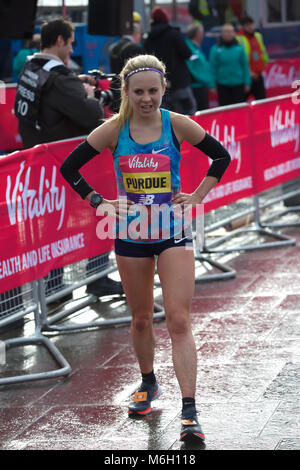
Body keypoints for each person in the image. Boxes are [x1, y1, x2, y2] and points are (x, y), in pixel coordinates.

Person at [59, 53, 231, 442]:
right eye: (139, 92)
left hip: (173, 233)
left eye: (153, 91)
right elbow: (69, 167)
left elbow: (221, 156)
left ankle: (190, 411)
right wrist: (98, 201)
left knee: (178, 320)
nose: (147, 99)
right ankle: (148, 382)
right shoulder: (114, 129)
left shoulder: (177, 124)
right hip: (131, 236)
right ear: (127, 91)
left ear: (163, 88)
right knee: (139, 319)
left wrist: (199, 194)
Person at [14, 17, 123, 299]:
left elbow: (51, 92)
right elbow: (89, 114)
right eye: (71, 41)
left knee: (51, 223)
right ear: (60, 40)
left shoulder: (31, 66)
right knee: (99, 211)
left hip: (41, 162)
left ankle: (54, 288)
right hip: (67, 161)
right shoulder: (60, 79)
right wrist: (92, 94)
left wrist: (78, 82)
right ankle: (97, 277)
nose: (72, 48)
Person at [144, 7, 197, 116]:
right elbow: (187, 53)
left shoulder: (149, 38)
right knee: (189, 114)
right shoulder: (174, 34)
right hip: (179, 82)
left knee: (166, 116)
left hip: (160, 83)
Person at [209, 23, 251, 106]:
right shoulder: (215, 49)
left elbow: (245, 66)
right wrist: (212, 85)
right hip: (222, 86)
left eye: (231, 31)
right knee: (225, 110)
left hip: (238, 85)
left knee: (239, 110)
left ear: (234, 34)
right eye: (226, 31)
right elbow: (212, 68)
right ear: (222, 34)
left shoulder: (240, 48)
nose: (228, 34)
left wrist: (247, 83)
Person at [109, 22, 144, 113]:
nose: (140, 37)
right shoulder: (135, 48)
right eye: (140, 34)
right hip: (129, 90)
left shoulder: (113, 47)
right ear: (136, 33)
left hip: (115, 88)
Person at [237, 16, 269, 100]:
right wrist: (248, 72)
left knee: (262, 103)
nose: (250, 27)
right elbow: (238, 61)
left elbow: (263, 53)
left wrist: (262, 67)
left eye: (251, 24)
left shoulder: (258, 36)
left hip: (258, 76)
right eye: (247, 25)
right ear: (243, 27)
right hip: (245, 78)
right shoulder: (238, 38)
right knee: (241, 104)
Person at [185, 23, 213, 111]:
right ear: (198, 34)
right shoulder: (188, 47)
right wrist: (202, 79)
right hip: (195, 87)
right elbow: (191, 67)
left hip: (201, 85)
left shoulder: (196, 48)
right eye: (202, 32)